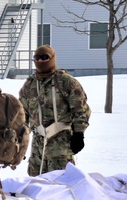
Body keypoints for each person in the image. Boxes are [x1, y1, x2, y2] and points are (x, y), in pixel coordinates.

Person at [18, 44, 91, 177]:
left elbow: (81, 109)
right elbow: (21, 114)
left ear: (52, 58)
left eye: (44, 57)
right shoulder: (30, 85)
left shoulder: (65, 82)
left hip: (60, 143)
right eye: (37, 58)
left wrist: (79, 133)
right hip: (38, 145)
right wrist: (19, 140)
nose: (40, 61)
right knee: (36, 183)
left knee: (60, 183)